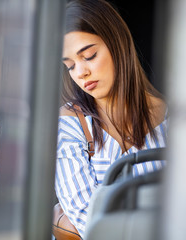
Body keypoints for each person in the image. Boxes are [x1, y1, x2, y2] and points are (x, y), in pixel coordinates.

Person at [54, 0, 168, 238]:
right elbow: (87, 221)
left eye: (89, 55)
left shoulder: (173, 119)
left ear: (118, 44)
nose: (80, 73)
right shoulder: (70, 124)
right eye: (70, 66)